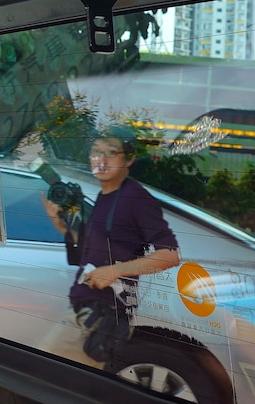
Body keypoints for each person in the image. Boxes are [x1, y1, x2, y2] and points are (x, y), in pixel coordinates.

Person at [40, 124, 180, 369]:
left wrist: (115, 271)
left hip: (100, 314)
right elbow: (92, 251)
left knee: (42, 371)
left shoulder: (135, 199)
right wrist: (60, 225)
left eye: (110, 152)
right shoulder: (106, 196)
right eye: (95, 151)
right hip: (90, 311)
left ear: (129, 159)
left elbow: (169, 255)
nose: (100, 159)